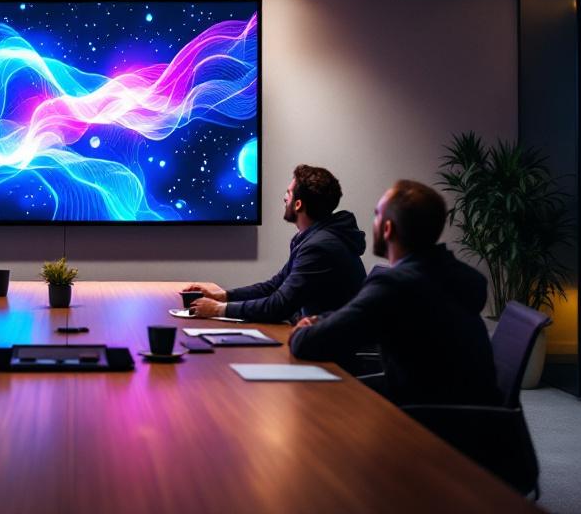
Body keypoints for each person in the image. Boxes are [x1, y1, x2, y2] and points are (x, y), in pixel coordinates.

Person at [289, 180, 500, 407]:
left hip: (431, 425)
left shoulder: (397, 285)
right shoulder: (450, 274)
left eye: (377, 215)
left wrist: (303, 330)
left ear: (388, 229)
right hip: (475, 419)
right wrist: (318, 320)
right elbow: (352, 315)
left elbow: (311, 343)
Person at [183, 165, 365, 322]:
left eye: (288, 193)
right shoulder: (314, 239)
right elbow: (274, 286)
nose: (285, 198)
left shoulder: (320, 247)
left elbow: (279, 306)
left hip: (330, 353)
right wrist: (222, 296)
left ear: (298, 204)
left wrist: (218, 309)